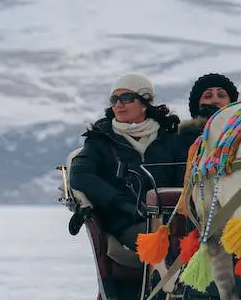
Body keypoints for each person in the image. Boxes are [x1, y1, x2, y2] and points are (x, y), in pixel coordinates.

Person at [69, 72, 189, 249]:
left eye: (126, 98)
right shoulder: (100, 140)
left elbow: (185, 177)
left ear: (145, 101)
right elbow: (80, 175)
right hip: (125, 223)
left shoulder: (172, 137)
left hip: (173, 219)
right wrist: (121, 203)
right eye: (114, 99)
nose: (118, 105)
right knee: (163, 245)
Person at [178, 72, 239, 149]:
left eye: (221, 95)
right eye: (208, 96)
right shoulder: (179, 141)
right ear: (198, 105)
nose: (215, 100)